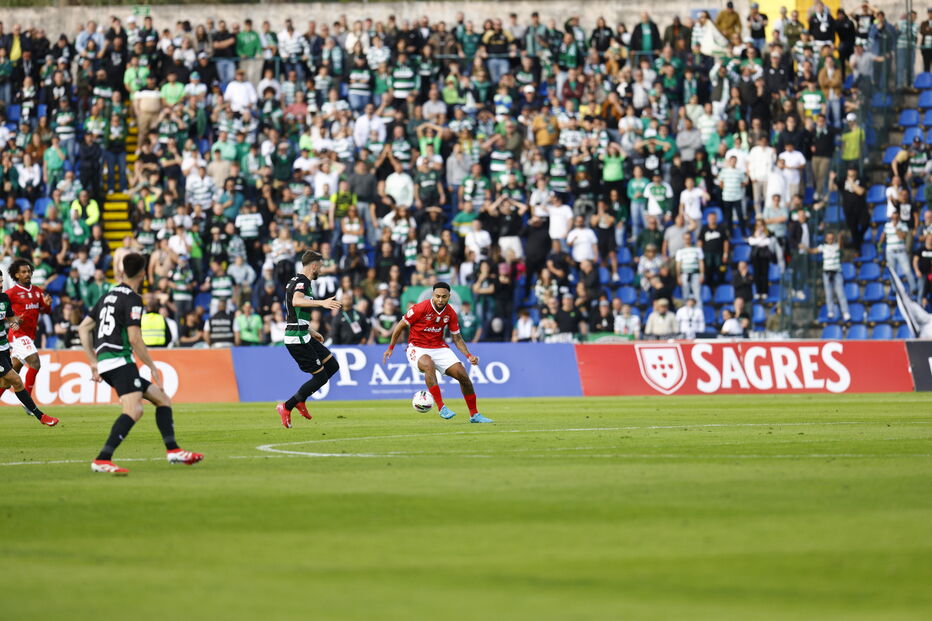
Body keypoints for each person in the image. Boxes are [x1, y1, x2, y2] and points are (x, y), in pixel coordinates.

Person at [77, 253, 202, 475]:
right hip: (119, 360)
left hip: (107, 361)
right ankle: (102, 458)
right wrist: (152, 366)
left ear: (123, 271)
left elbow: (83, 328)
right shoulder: (133, 299)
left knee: (162, 399)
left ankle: (173, 450)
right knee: (134, 410)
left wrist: (93, 363)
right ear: (144, 273)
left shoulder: (106, 296)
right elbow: (134, 338)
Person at [382, 282, 492, 423]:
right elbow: (400, 326)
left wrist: (469, 355)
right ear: (433, 295)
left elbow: (457, 338)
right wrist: (391, 347)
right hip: (417, 347)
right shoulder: (420, 308)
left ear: (449, 297)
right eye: (437, 296)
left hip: (439, 348)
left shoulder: (450, 313)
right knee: (428, 364)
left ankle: (474, 415)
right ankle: (441, 407)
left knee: (464, 376)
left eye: (444, 297)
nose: (440, 299)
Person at [276, 250, 343, 428]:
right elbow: (297, 302)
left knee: (332, 366)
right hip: (296, 338)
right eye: (320, 266)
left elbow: (293, 312)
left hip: (303, 333)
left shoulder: (296, 281)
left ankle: (300, 400)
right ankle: (287, 406)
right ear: (313, 265)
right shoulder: (302, 282)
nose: (321, 269)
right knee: (320, 377)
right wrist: (322, 302)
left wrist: (311, 330)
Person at [0, 259, 52, 398]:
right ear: (16, 275)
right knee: (35, 362)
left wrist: (47, 305)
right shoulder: (12, 293)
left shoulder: (37, 291)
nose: (27, 274)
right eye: (23, 272)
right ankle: (28, 401)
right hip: (18, 334)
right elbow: (3, 311)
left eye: (29, 271)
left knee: (9, 378)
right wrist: (14, 319)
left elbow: (45, 311)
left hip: (31, 336)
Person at [807, 231, 850, 321]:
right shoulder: (823, 247)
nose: (830, 239)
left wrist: (840, 237)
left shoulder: (836, 246)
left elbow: (840, 246)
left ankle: (845, 312)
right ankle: (830, 311)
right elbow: (813, 251)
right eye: (828, 238)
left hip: (836, 272)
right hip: (827, 273)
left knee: (840, 293)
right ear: (826, 239)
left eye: (831, 238)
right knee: (828, 293)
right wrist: (805, 248)